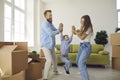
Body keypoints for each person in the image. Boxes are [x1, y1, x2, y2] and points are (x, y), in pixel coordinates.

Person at [40, 10, 63, 80]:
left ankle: (55, 71)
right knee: (49, 60)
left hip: (51, 45)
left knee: (55, 59)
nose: (51, 16)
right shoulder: (44, 24)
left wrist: (59, 28)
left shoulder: (50, 24)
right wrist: (59, 30)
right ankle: (44, 77)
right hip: (45, 45)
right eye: (49, 15)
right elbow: (51, 33)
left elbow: (56, 30)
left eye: (51, 15)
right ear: (45, 16)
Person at [72, 15, 93, 80]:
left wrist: (76, 32)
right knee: (78, 61)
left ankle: (85, 78)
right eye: (81, 20)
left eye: (82, 20)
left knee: (81, 63)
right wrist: (74, 30)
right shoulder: (83, 27)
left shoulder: (89, 28)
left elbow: (82, 37)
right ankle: (83, 71)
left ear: (86, 21)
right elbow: (78, 34)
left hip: (86, 46)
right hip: (82, 46)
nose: (81, 22)